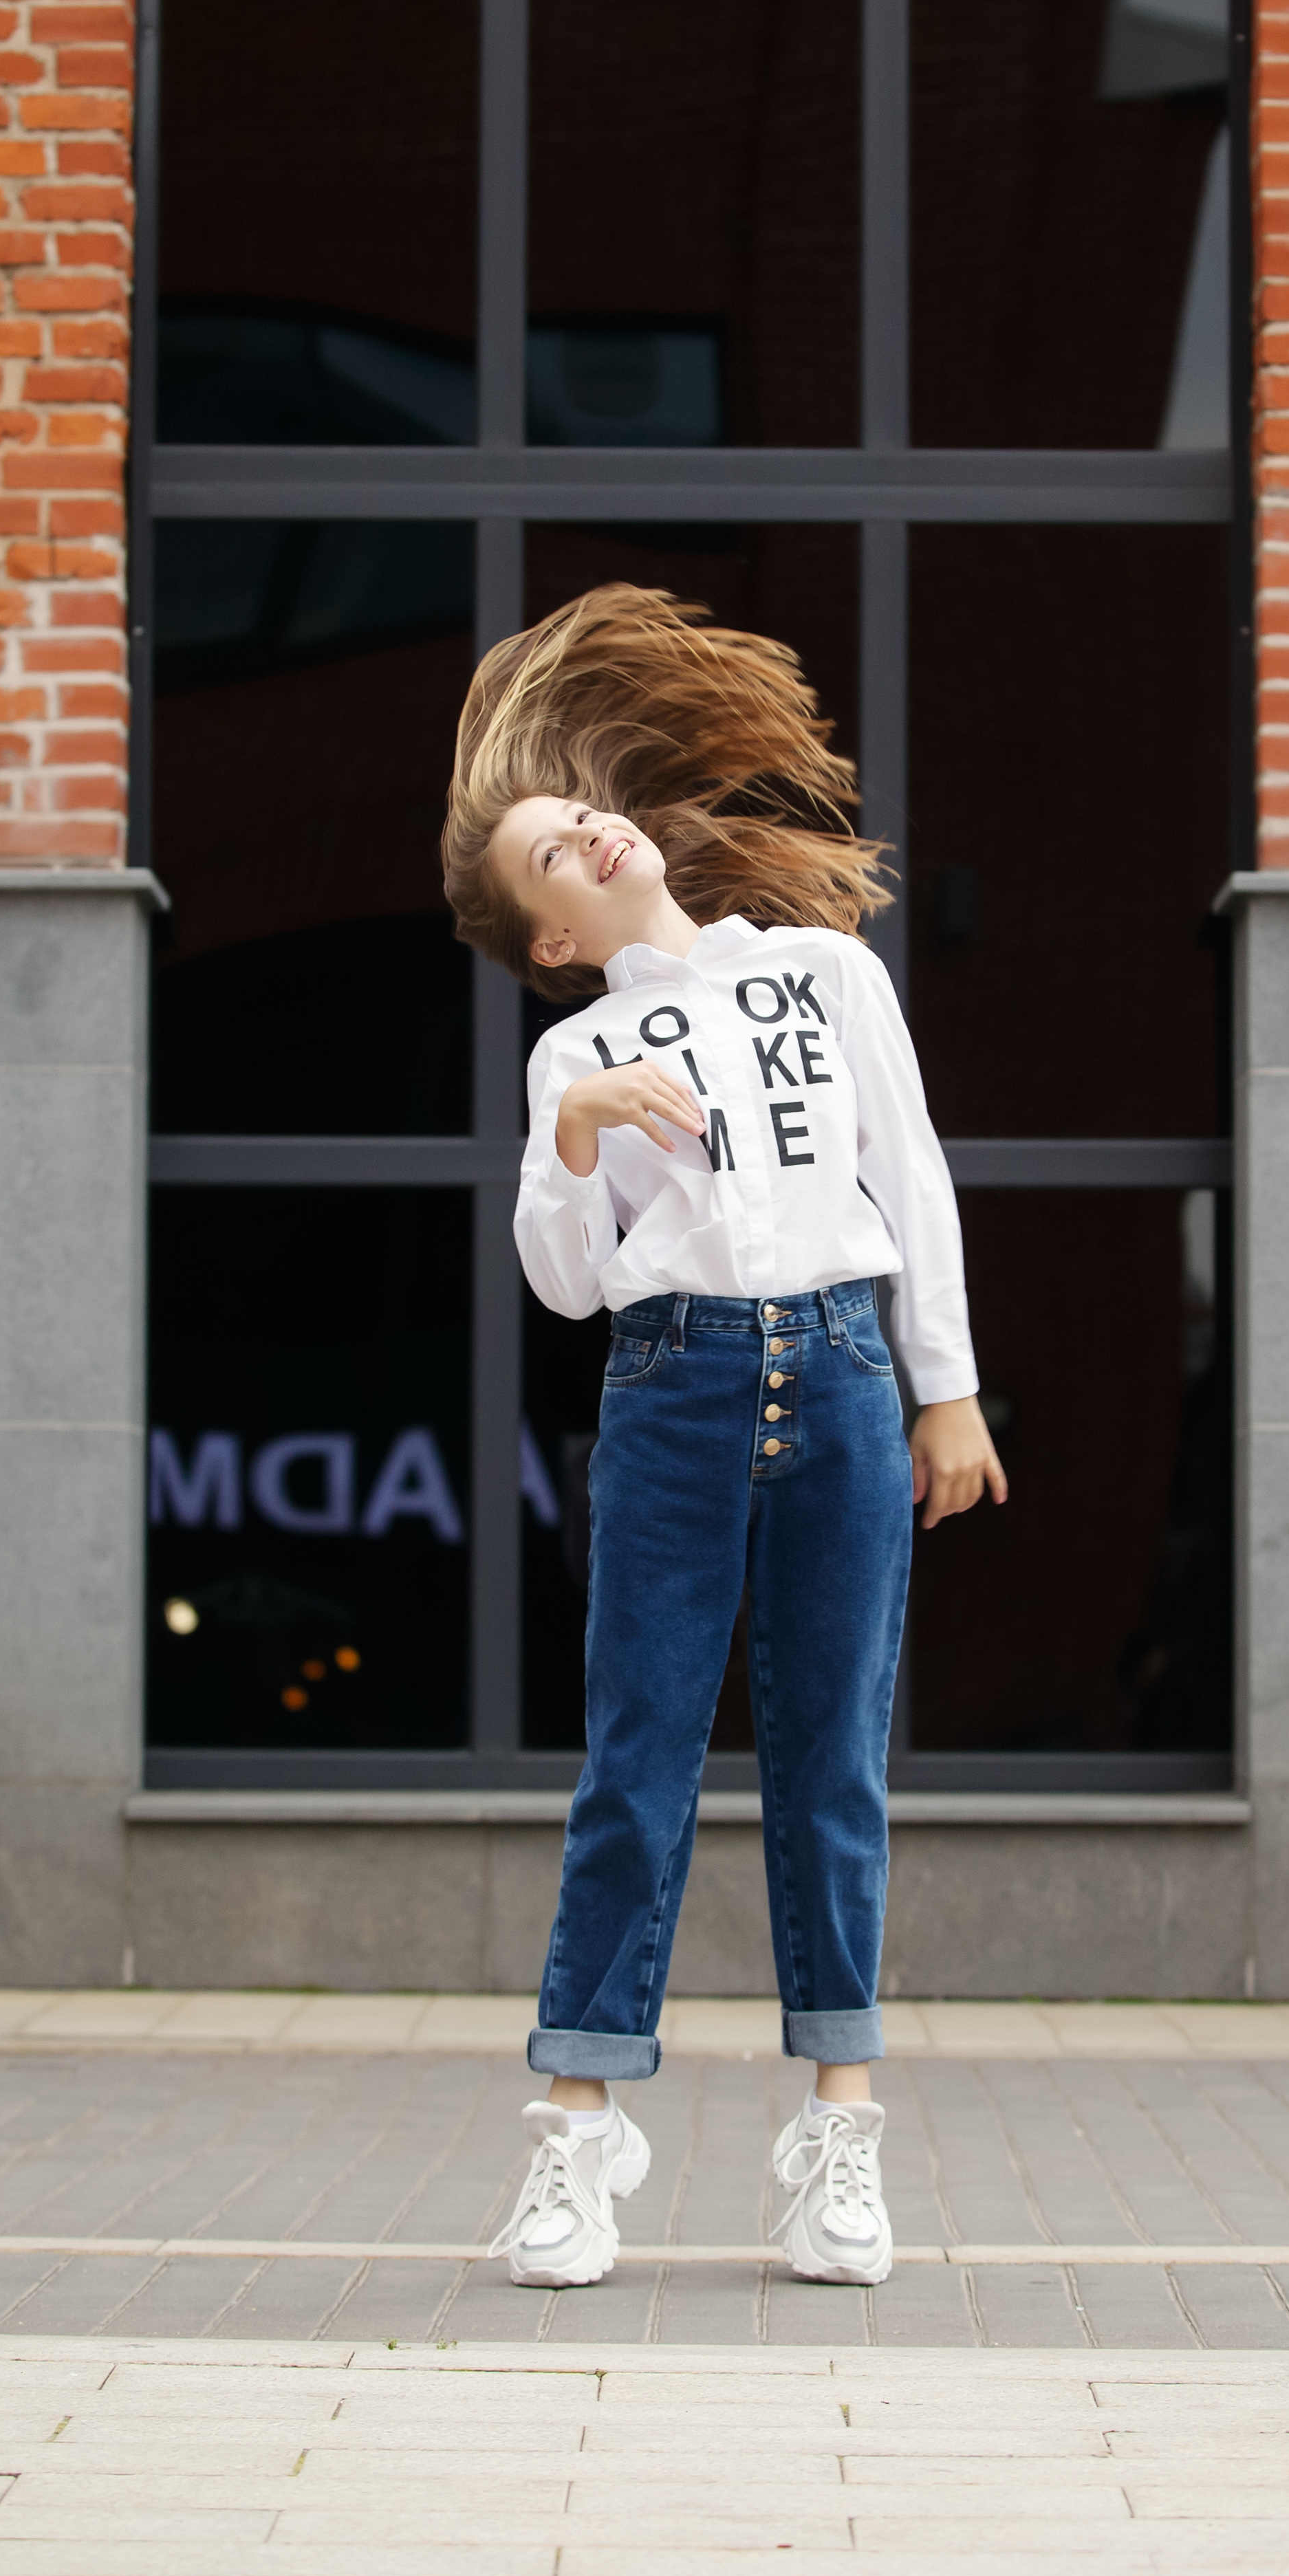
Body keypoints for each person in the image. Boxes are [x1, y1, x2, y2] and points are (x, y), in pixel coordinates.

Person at [442, 583, 1006, 2289]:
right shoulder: (574, 1055)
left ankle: (841, 2136)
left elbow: (910, 1177)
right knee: (638, 1765)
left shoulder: (826, 973)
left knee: (835, 1761)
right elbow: (564, 1283)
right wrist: (576, 1133)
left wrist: (946, 1386)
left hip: (839, 1376)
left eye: (578, 812)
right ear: (550, 937)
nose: (588, 833)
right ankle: (574, 2139)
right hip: (671, 1389)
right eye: (552, 853)